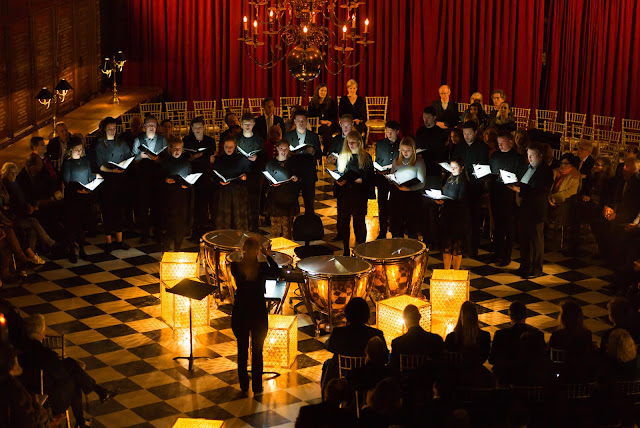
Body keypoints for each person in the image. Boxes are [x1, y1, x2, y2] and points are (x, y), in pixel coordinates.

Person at [18, 314, 117, 428]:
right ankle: (95, 396)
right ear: (42, 334)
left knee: (72, 372)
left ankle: (87, 412)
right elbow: (60, 373)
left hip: (28, 393)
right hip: (49, 400)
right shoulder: (45, 353)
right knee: (74, 379)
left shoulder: (22, 349)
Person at [230, 238, 280, 394]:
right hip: (257, 310)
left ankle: (244, 384)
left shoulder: (235, 267)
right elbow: (277, 271)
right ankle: (257, 386)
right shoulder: (263, 267)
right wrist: (267, 255)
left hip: (241, 310)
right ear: (258, 251)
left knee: (242, 350)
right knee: (258, 351)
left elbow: (236, 260)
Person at [321, 297, 387, 391]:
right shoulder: (376, 334)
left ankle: (327, 396)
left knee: (328, 363)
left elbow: (329, 347)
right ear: (367, 315)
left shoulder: (338, 333)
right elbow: (384, 355)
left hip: (344, 373)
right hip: (368, 377)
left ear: (347, 314)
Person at [510, 144, 553, 279]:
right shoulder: (527, 168)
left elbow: (541, 190)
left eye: (532, 155)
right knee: (524, 239)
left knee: (535, 240)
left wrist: (520, 190)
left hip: (536, 210)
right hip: (524, 208)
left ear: (540, 156)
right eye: (528, 155)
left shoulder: (545, 171)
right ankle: (525, 265)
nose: (529, 158)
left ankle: (536, 268)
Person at [1, 162, 56, 263]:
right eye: (11, 173)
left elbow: (23, 199)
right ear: (5, 174)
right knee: (33, 222)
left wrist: (30, 206)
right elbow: (12, 205)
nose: (13, 175)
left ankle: (31, 257)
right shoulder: (6, 186)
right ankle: (51, 244)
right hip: (14, 218)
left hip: (21, 213)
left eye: (15, 173)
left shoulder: (15, 184)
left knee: (33, 230)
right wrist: (27, 208)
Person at [489, 131, 527, 266]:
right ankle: (497, 252)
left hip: (510, 195)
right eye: (498, 143)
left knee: (509, 227)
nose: (500, 146)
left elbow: (522, 176)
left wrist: (513, 180)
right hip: (496, 193)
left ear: (511, 142)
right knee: (497, 225)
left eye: (503, 143)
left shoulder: (517, 158)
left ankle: (507, 255)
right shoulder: (494, 156)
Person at [565, 156, 615, 256]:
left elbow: (609, 198)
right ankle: (574, 246)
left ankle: (603, 251)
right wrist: (585, 196)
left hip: (601, 208)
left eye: (597, 165)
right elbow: (585, 191)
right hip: (590, 205)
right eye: (594, 164)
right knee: (575, 210)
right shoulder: (592, 177)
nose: (594, 166)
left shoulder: (609, 181)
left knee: (591, 219)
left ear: (605, 167)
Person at [95, 116, 132, 253]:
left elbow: (128, 155)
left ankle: (120, 240)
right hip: (107, 180)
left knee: (119, 209)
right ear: (104, 129)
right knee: (108, 209)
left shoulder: (121, 142)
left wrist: (124, 165)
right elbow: (100, 165)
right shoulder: (100, 145)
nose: (112, 131)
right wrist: (112, 170)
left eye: (114, 129)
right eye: (109, 129)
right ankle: (108, 241)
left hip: (120, 179)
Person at [335, 130, 374, 255]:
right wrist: (339, 180)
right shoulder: (343, 156)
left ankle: (361, 249)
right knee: (344, 221)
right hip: (345, 193)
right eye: (349, 142)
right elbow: (339, 174)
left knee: (359, 222)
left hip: (359, 194)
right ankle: (346, 249)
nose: (351, 144)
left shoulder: (365, 157)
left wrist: (358, 179)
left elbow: (369, 177)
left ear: (359, 142)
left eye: (353, 142)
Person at [454, 121, 489, 258]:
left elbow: (483, 167)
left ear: (475, 133)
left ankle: (472, 249)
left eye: (469, 133)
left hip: (475, 187)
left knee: (474, 219)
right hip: (460, 186)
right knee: (461, 219)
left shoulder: (482, 148)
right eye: (464, 134)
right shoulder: (459, 146)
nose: (466, 136)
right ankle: (461, 246)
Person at [488, 301, 545, 385]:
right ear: (526, 316)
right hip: (530, 383)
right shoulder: (538, 334)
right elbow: (542, 359)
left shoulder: (500, 334)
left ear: (510, 316)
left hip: (506, 381)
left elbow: (492, 360)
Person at [0, 343, 54, 428]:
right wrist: (37, 407)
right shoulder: (14, 388)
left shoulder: (10, 385)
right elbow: (28, 420)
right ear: (12, 365)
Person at [132, 115, 168, 243]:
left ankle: (157, 233)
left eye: (154, 125)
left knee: (157, 206)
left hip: (157, 176)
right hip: (143, 176)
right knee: (143, 206)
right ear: (145, 126)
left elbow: (166, 158)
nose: (151, 127)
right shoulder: (139, 139)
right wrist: (140, 156)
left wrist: (157, 159)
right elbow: (133, 157)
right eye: (149, 125)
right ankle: (145, 233)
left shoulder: (162, 140)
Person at [61, 136, 96, 263]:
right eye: (76, 149)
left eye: (80, 149)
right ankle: (72, 251)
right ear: (70, 150)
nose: (78, 151)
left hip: (84, 197)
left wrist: (95, 180)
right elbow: (66, 180)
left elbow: (89, 177)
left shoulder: (86, 161)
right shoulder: (68, 163)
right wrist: (77, 189)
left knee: (82, 225)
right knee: (72, 225)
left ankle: (82, 249)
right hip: (73, 199)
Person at [183, 116, 217, 240]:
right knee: (193, 204)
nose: (197, 130)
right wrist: (193, 157)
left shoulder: (209, 140)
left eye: (200, 127)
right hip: (192, 174)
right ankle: (193, 230)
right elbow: (185, 155)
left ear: (204, 128)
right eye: (195, 128)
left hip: (206, 175)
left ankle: (203, 230)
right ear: (191, 128)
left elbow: (211, 152)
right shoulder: (187, 140)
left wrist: (200, 155)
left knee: (203, 204)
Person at [284, 109, 322, 215]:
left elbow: (319, 154)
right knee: (292, 202)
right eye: (298, 120)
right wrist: (288, 153)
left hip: (308, 173)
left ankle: (309, 226)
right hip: (294, 172)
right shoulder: (288, 136)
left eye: (303, 121)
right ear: (295, 121)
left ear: (306, 121)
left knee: (309, 203)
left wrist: (313, 151)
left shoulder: (313, 136)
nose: (301, 123)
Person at [389, 137, 425, 240]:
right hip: (398, 196)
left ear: (413, 150)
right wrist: (392, 180)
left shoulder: (419, 162)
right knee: (397, 227)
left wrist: (408, 189)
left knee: (411, 228)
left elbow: (422, 183)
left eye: (408, 150)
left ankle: (412, 252)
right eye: (403, 150)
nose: (405, 153)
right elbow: (392, 175)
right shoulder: (396, 161)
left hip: (412, 197)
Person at [160, 138, 193, 251]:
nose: (177, 151)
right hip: (169, 197)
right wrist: (165, 180)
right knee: (170, 223)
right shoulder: (165, 162)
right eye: (175, 148)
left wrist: (188, 184)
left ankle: (178, 247)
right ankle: (166, 245)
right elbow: (159, 179)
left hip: (182, 197)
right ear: (170, 149)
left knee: (181, 223)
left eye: (180, 149)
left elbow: (190, 178)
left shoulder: (186, 163)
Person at [436, 156, 469, 270]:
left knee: (456, 245)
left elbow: (461, 200)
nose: (453, 169)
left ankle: (456, 271)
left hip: (457, 217)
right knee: (446, 244)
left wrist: (446, 200)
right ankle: (446, 270)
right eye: (451, 167)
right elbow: (445, 193)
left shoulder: (463, 182)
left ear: (461, 168)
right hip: (447, 215)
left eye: (456, 167)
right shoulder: (449, 179)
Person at [212, 135, 250, 230]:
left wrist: (244, 177)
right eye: (226, 147)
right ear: (223, 147)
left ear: (235, 147)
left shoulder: (241, 159)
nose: (229, 149)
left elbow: (249, 173)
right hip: (224, 193)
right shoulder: (219, 159)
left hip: (238, 192)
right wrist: (219, 181)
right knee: (225, 218)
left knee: (238, 218)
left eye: (231, 147)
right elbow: (214, 175)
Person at [264, 140, 300, 239]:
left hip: (288, 198)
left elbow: (299, 180)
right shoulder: (271, 163)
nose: (283, 151)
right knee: (275, 227)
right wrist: (272, 184)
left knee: (287, 227)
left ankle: (287, 252)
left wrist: (296, 179)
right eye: (281, 149)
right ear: (277, 148)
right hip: (275, 198)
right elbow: (267, 181)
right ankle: (274, 251)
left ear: (289, 149)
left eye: (285, 149)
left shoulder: (293, 162)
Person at [236, 112, 265, 232]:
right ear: (241, 124)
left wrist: (257, 158)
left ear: (253, 124)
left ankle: (254, 227)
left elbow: (264, 157)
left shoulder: (259, 140)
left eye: (250, 124)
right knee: (241, 203)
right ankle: (241, 226)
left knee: (254, 202)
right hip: (240, 175)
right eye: (245, 124)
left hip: (254, 175)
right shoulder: (237, 139)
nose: (247, 126)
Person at [373, 120, 401, 239]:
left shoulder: (401, 144)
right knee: (382, 205)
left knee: (395, 206)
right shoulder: (380, 144)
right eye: (387, 132)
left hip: (396, 180)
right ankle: (382, 230)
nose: (389, 134)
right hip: (383, 179)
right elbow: (378, 160)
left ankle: (395, 230)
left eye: (391, 132)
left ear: (397, 132)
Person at [445, 301, 491, 366]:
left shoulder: (451, 337)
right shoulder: (485, 336)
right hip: (476, 372)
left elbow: (448, 359)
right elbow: (484, 358)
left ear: (461, 317)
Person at [548, 153, 581, 227]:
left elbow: (571, 192)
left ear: (571, 164)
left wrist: (553, 198)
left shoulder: (574, 176)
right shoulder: (555, 172)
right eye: (561, 163)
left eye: (566, 163)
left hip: (562, 202)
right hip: (548, 198)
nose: (562, 165)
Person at [308, 83, 338, 148]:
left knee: (328, 130)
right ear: (318, 91)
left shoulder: (331, 102)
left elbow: (334, 115)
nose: (323, 92)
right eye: (322, 90)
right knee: (325, 130)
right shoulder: (312, 102)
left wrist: (330, 122)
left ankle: (327, 150)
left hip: (330, 125)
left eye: (325, 91)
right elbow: (311, 116)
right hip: (316, 126)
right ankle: (326, 151)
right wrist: (321, 122)